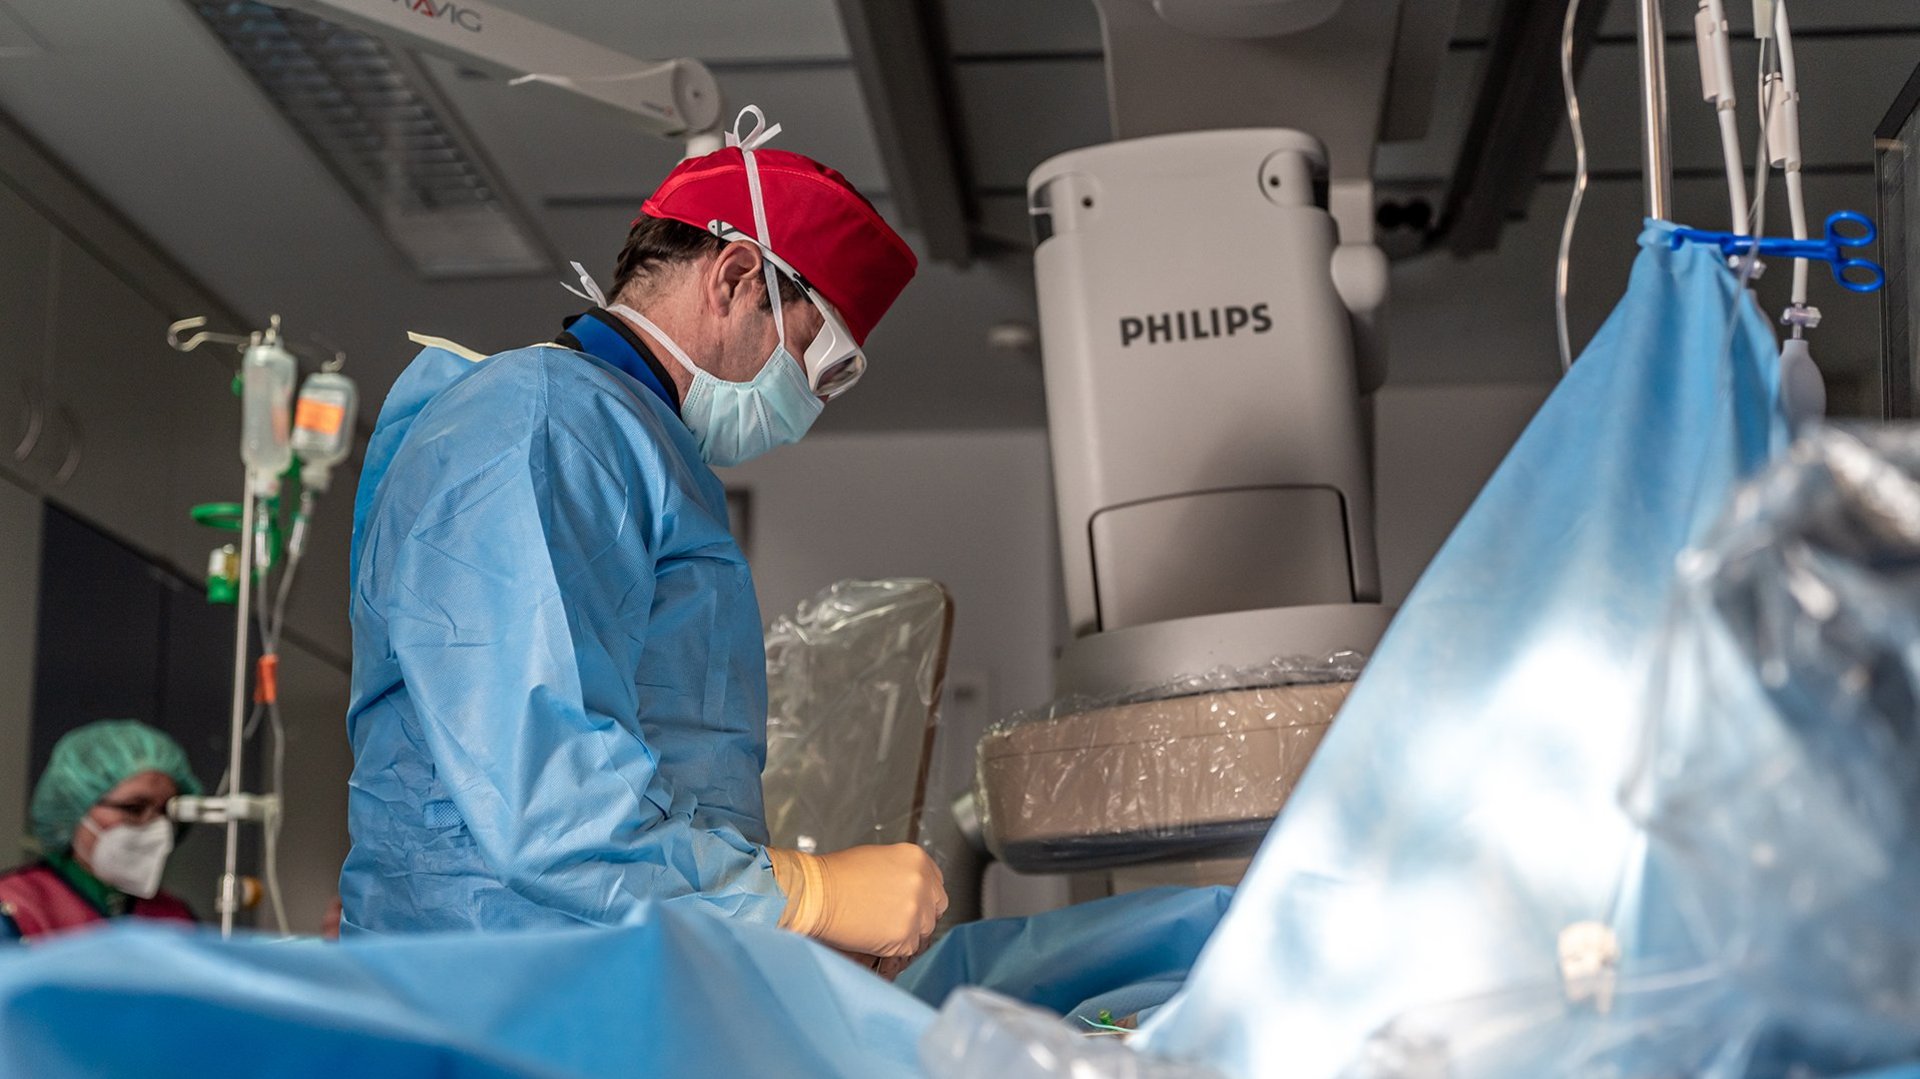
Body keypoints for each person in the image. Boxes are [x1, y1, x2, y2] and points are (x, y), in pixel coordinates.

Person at [341, 106, 947, 961]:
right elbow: (544, 793)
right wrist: (803, 896)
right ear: (736, 278)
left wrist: (759, 918)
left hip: (588, 977)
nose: (810, 401)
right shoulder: (543, 424)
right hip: (498, 992)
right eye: (818, 359)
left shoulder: (628, 443)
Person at [0, 720, 201, 940]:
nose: (157, 827)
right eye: (134, 808)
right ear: (75, 806)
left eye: (167, 811)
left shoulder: (175, 920)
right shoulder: (18, 908)